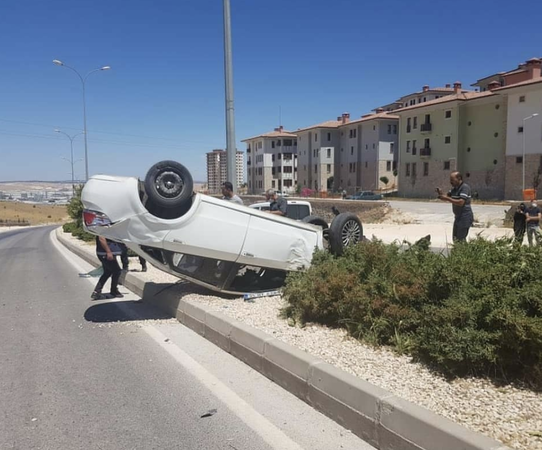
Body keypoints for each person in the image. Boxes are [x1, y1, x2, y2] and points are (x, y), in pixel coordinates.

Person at [436, 171, 473, 242]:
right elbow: (447, 197)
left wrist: (447, 198)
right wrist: (441, 194)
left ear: (459, 178)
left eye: (452, 180)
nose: (451, 182)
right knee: (455, 239)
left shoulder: (464, 188)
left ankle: (465, 253)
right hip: (458, 217)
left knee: (460, 240)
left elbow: (461, 202)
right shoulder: (454, 189)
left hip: (465, 217)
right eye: (450, 180)